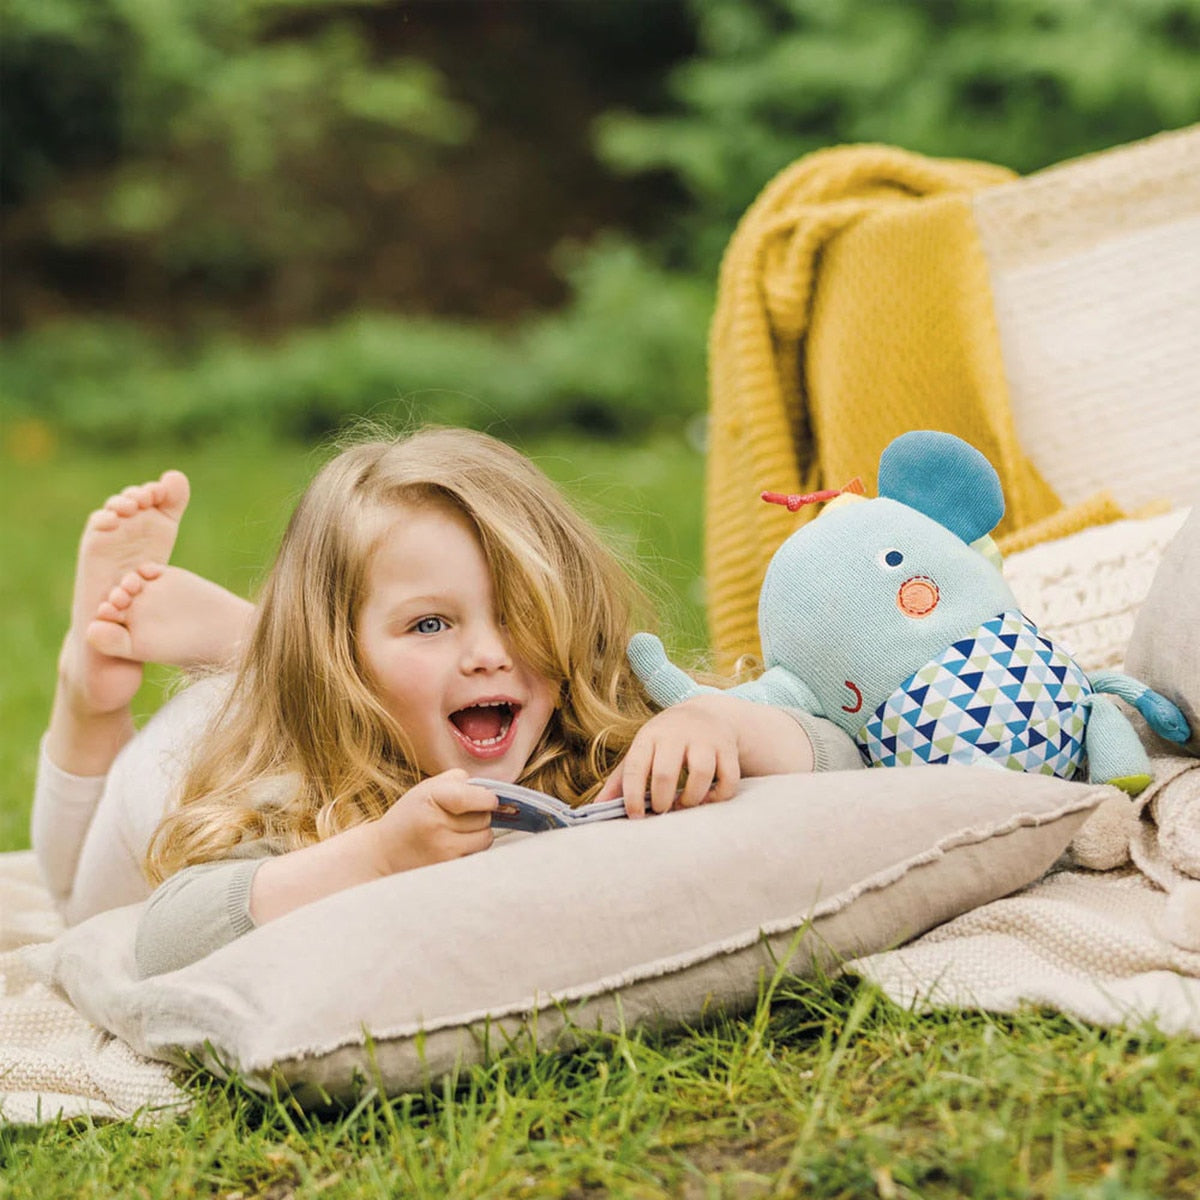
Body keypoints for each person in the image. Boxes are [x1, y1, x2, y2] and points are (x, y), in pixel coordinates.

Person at [32, 427, 863, 977]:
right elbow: (164, 938)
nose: (492, 653)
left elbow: (842, 758)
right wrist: (381, 854)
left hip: (326, 669)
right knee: (75, 898)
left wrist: (720, 724)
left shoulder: (595, 716)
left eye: (519, 611)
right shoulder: (282, 780)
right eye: (432, 622)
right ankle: (95, 685)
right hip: (170, 762)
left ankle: (263, 643)